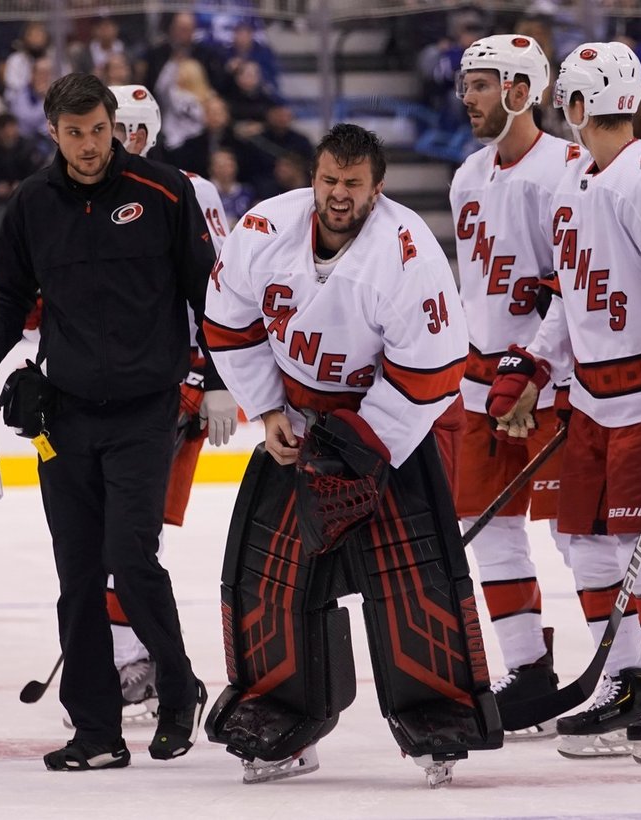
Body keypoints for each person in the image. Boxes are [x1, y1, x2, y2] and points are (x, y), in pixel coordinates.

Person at [0, 72, 231, 771]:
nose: (90, 145)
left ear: (114, 124)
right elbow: (10, 299)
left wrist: (220, 380)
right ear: (53, 132)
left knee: (130, 559)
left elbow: (212, 291)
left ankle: (175, 688)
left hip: (145, 411)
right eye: (74, 133)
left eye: (99, 130)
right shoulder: (32, 203)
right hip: (63, 418)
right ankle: (97, 732)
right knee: (76, 574)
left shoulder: (165, 192)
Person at [202, 123, 503, 787]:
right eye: (329, 180)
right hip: (302, 420)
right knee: (272, 577)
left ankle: (438, 711)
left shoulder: (407, 253)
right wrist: (269, 408)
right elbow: (228, 323)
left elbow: (432, 372)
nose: (339, 195)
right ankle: (284, 712)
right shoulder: (262, 230)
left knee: (409, 579)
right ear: (314, 177)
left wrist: (363, 449)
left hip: (391, 424)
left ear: (378, 188)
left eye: (353, 184)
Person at [487, 42, 641, 764]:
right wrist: (532, 365)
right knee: (583, 546)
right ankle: (622, 682)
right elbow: (570, 302)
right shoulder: (575, 186)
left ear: (581, 104)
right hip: (589, 399)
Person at [101, 83, 237, 722]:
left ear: (149, 134)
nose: (121, 141)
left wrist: (213, 375)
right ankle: (129, 655)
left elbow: (220, 285)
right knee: (107, 532)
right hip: (99, 385)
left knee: (128, 532)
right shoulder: (76, 193)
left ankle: (132, 659)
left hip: (168, 384)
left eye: (132, 129)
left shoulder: (189, 190)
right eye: (112, 127)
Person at [449, 33, 572, 738]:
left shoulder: (566, 171)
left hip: (545, 383)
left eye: (482, 85)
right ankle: (529, 670)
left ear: (522, 90)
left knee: (578, 536)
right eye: (467, 85)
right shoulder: (468, 175)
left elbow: (574, 290)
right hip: (479, 380)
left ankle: (632, 672)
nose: (468, 98)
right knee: (487, 529)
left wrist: (534, 367)